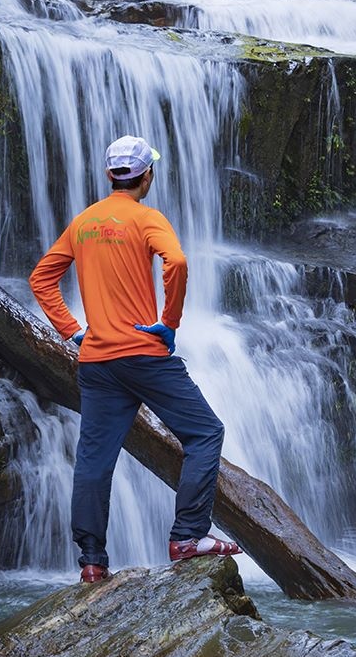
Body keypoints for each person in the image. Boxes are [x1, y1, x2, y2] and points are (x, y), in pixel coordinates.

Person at [29, 135, 242, 584]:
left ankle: (91, 562)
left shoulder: (83, 223)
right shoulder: (147, 218)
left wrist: (72, 330)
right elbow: (177, 263)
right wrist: (170, 321)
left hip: (97, 361)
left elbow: (41, 278)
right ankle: (187, 536)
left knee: (94, 460)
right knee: (205, 433)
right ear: (147, 175)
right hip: (144, 353)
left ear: (111, 176)